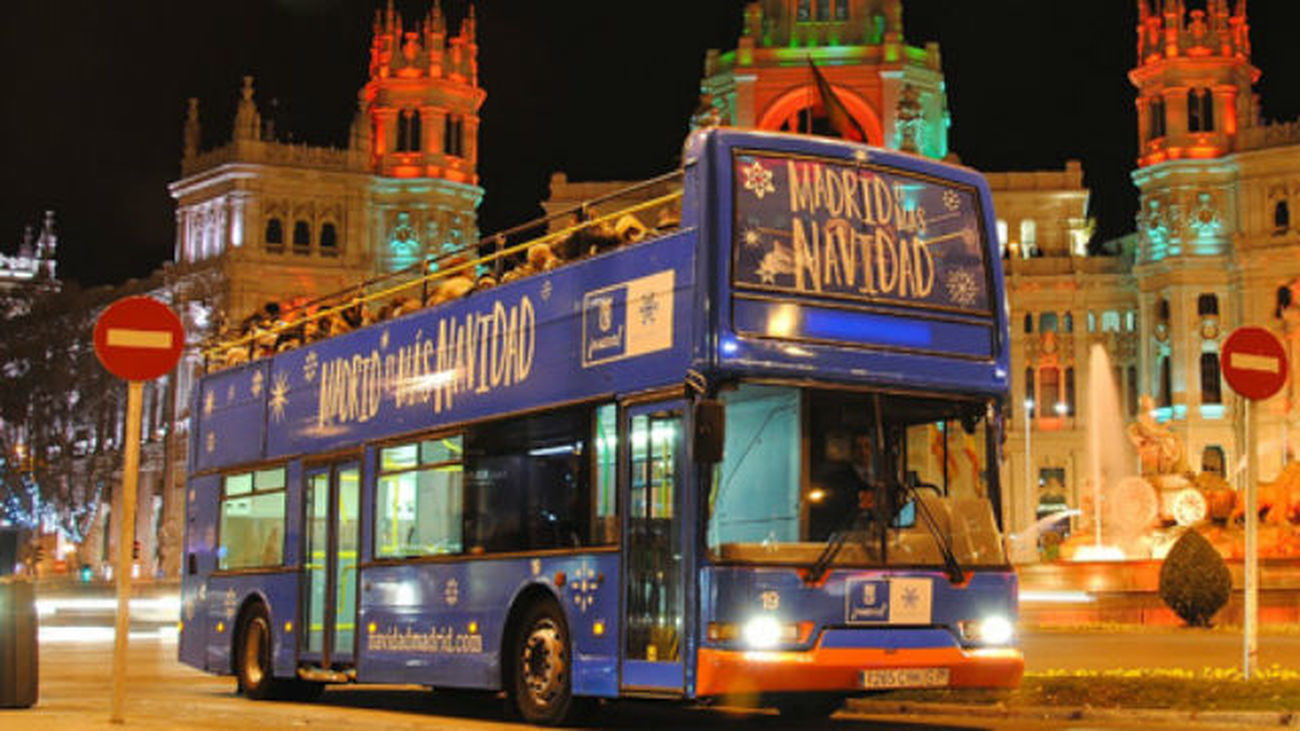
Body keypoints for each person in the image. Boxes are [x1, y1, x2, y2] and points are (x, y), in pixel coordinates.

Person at [809, 433, 877, 540]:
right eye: (858, 447)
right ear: (851, 451)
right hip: (845, 536)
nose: (863, 452)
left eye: (867, 447)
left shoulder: (881, 478)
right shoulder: (837, 478)